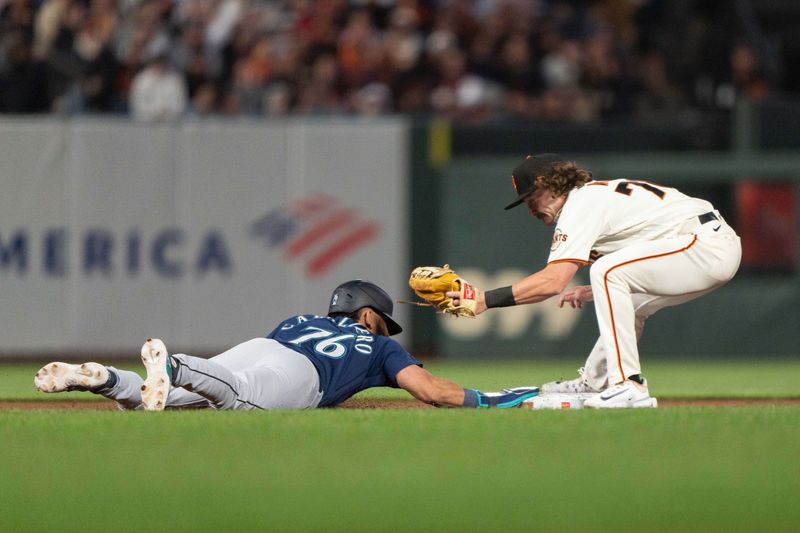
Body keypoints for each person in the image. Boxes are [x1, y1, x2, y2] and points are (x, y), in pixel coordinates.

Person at [449, 154, 742, 408]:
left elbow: (553, 282)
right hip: (703, 246)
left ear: (548, 184)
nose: (530, 209)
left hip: (704, 244)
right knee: (628, 299)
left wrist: (485, 300)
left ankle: (628, 384)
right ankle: (596, 381)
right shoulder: (589, 199)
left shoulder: (581, 203)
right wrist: (599, 290)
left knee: (606, 270)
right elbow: (647, 248)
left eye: (530, 197)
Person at [34, 280, 538, 410]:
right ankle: (175, 362)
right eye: (384, 321)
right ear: (367, 315)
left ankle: (103, 379)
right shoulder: (378, 345)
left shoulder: (300, 317)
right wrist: (482, 398)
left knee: (164, 401)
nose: (387, 330)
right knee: (239, 398)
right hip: (304, 376)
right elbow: (428, 390)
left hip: (266, 343)